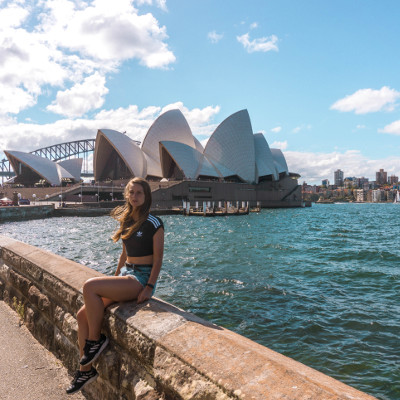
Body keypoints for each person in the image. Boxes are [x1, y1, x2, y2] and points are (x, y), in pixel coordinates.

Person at [66, 177, 164, 395]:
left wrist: (149, 287)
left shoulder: (154, 223)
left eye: (139, 192)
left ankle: (95, 340)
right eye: (132, 193)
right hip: (127, 275)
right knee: (82, 315)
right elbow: (124, 254)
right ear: (127, 195)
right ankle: (85, 370)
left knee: (89, 286)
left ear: (146, 196)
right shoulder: (127, 220)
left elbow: (158, 259)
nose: (135, 196)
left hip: (140, 279)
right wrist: (115, 276)